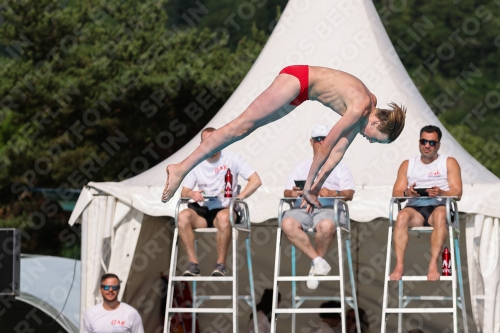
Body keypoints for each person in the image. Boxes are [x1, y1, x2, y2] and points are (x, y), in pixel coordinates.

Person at [162, 65, 406, 210]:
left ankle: (182, 167)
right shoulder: (359, 108)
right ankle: (180, 168)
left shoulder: (367, 107)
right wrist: (308, 187)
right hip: (296, 80)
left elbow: (338, 153)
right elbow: (324, 149)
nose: (371, 141)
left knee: (246, 130)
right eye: (377, 138)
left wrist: (316, 188)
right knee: (241, 126)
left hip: (302, 93)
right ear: (376, 121)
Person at [179, 127, 262, 276]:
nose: (211, 145)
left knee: (224, 217)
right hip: (202, 212)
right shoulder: (196, 162)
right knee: (182, 216)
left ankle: (220, 265)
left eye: (214, 141)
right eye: (207, 142)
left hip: (226, 209)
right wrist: (191, 193)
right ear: (201, 144)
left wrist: (239, 198)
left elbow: (255, 180)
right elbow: (183, 193)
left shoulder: (232, 158)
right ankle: (193, 264)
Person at [281, 125, 355, 289]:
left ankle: (316, 267)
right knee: (286, 223)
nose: (321, 143)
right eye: (318, 139)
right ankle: (317, 262)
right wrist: (293, 193)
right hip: (302, 208)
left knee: (326, 225)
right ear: (311, 142)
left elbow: (349, 194)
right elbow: (286, 191)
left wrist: (331, 193)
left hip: (328, 208)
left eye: (325, 139)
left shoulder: (340, 165)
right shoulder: (300, 166)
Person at [390, 125, 462, 281]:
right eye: (424, 141)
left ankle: (432, 265)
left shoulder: (448, 162)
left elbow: (457, 192)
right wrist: (407, 193)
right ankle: (399, 265)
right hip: (415, 208)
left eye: (432, 143)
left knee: (441, 215)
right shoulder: (407, 164)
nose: (427, 146)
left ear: (438, 145)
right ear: (419, 143)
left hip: (439, 206)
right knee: (401, 216)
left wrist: (441, 192)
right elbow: (395, 193)